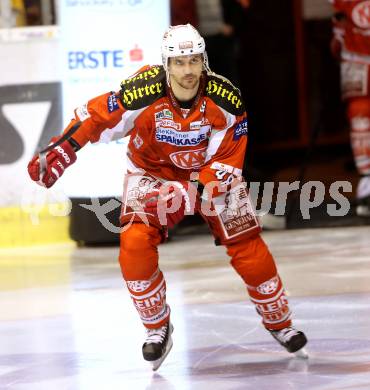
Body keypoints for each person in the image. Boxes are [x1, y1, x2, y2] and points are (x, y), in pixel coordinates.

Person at [27, 24, 307, 371]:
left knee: (248, 247)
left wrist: (190, 190)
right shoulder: (140, 91)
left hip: (209, 177)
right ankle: (157, 327)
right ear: (166, 65)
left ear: (204, 61)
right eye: (179, 62)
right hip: (151, 174)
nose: (188, 71)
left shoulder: (226, 99)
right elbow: (95, 116)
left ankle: (281, 323)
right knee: (134, 243)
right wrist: (64, 146)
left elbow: (226, 164)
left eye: (193, 61)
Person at [330, 0, 370, 216]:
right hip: (357, 59)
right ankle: (368, 184)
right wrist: (338, 39)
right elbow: (339, 19)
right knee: (360, 115)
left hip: (356, 58)